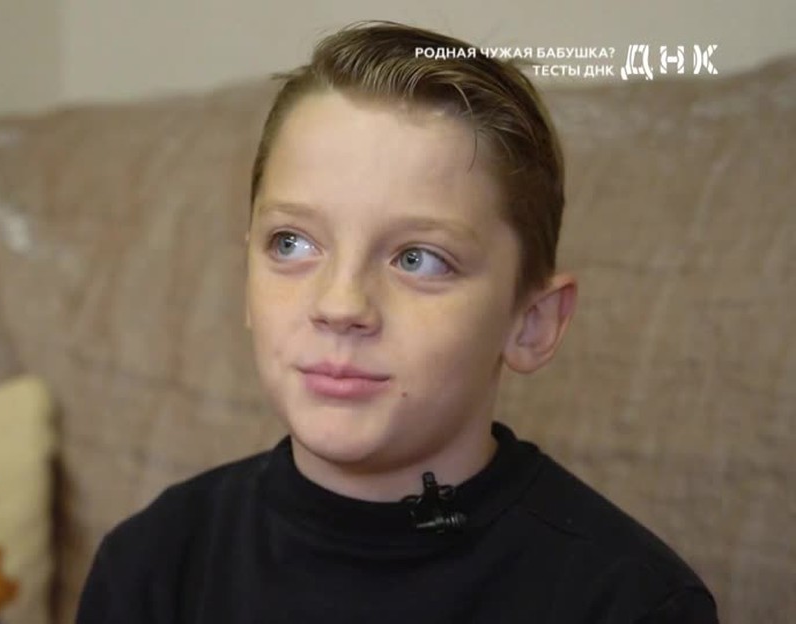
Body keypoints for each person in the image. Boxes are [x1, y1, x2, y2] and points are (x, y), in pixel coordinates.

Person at [76, 20, 717, 623]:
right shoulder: (152, 567)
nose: (340, 306)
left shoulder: (630, 602)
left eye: (418, 259)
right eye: (292, 244)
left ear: (531, 322)